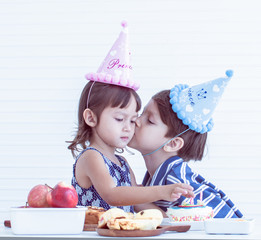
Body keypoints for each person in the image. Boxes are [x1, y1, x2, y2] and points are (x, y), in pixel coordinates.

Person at [68, 21, 194, 213]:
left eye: (133, 119)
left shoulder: (123, 163)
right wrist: (161, 191)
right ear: (91, 118)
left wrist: (169, 219)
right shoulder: (91, 157)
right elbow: (113, 194)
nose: (129, 127)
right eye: (119, 119)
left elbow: (137, 202)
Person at [128, 70, 243, 218]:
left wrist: (133, 196)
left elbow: (179, 223)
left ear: (173, 143)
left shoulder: (178, 180)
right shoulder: (158, 175)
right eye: (141, 113)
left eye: (149, 120)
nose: (136, 120)